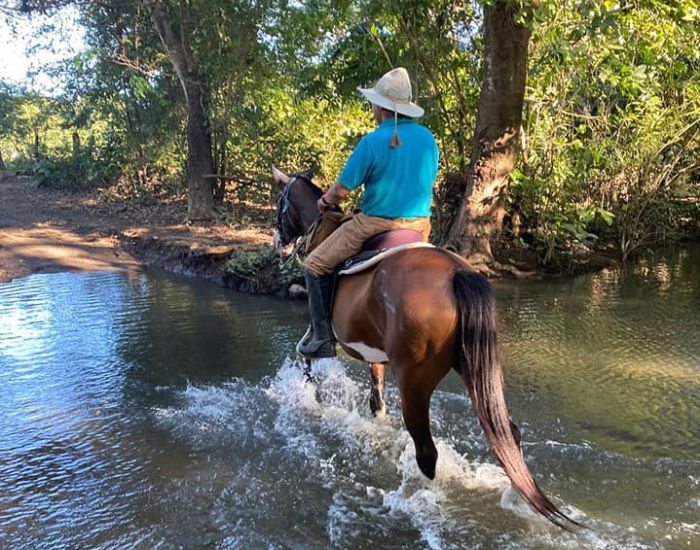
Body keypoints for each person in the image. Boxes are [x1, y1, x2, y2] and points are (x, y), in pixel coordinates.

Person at [299, 67, 439, 359]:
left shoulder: (371, 142)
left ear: (381, 107)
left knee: (313, 264)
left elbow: (341, 191)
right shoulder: (428, 140)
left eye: (373, 102)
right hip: (420, 227)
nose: (372, 107)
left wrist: (325, 202)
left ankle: (323, 339)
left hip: (374, 224)